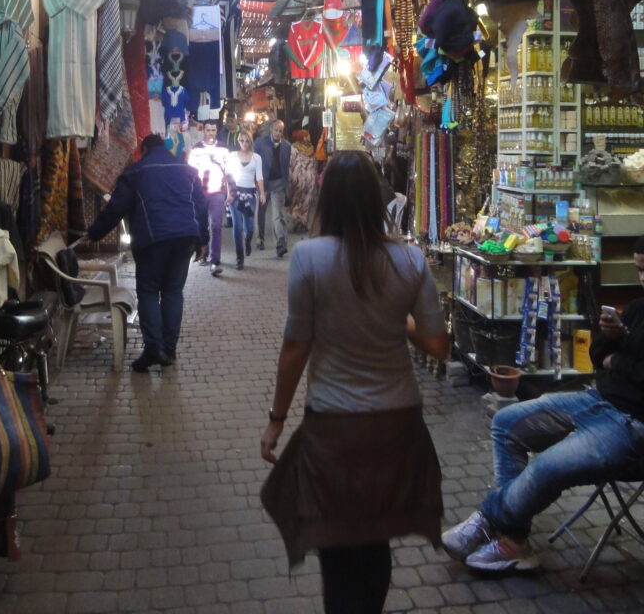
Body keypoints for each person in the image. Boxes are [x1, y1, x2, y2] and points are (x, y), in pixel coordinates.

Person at [260, 150, 449, 614]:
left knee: (338, 543)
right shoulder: (409, 260)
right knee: (375, 538)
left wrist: (276, 421)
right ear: (375, 199)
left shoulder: (308, 257)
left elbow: (296, 348)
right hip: (397, 424)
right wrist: (398, 322)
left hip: (334, 425)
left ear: (328, 200)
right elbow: (438, 346)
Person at [442, 235, 644, 573]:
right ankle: (514, 541)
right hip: (597, 400)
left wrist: (617, 361)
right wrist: (608, 339)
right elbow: (600, 358)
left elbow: (623, 366)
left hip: (633, 426)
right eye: (639, 271)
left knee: (547, 467)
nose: (642, 280)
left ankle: (488, 521)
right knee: (506, 423)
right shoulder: (638, 309)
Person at [83, 133, 208, 372]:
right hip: (185, 238)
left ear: (143, 149)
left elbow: (116, 208)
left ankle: (153, 349)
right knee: (173, 291)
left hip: (152, 239)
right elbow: (200, 207)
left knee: (149, 291)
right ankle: (168, 350)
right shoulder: (187, 170)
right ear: (166, 148)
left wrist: (95, 233)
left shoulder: (136, 172)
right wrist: (203, 240)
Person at [188, 119, 230, 276]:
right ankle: (203, 252)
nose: (211, 133)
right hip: (200, 192)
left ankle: (215, 260)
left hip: (217, 193)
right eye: (208, 130)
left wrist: (230, 192)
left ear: (216, 131)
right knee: (201, 225)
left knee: (216, 225)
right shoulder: (196, 149)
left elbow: (229, 171)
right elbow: (191, 172)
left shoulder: (223, 149)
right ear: (203, 131)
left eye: (213, 130)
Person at [225, 130, 266, 269]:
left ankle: (248, 242)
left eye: (247, 141)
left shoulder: (256, 158)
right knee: (237, 226)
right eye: (242, 140)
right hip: (236, 193)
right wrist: (229, 193)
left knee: (249, 228)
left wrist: (262, 193)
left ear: (251, 142)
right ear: (238, 141)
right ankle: (239, 257)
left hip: (250, 194)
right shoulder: (232, 156)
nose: (244, 143)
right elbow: (227, 175)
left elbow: (259, 176)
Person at [254, 119, 291, 257]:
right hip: (263, 183)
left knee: (278, 214)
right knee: (261, 212)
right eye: (276, 130)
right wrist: (255, 181)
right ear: (271, 129)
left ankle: (280, 243)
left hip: (278, 184)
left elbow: (287, 167)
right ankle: (260, 238)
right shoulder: (260, 143)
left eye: (281, 131)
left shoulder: (287, 146)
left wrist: (287, 186)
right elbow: (254, 161)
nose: (278, 133)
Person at [288, 129, 317, 232]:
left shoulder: (293, 148)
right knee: (306, 202)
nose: (308, 137)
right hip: (310, 180)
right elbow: (314, 165)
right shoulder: (311, 148)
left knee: (296, 202)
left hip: (299, 179)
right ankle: (303, 223)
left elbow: (291, 164)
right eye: (306, 135)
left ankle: (297, 222)